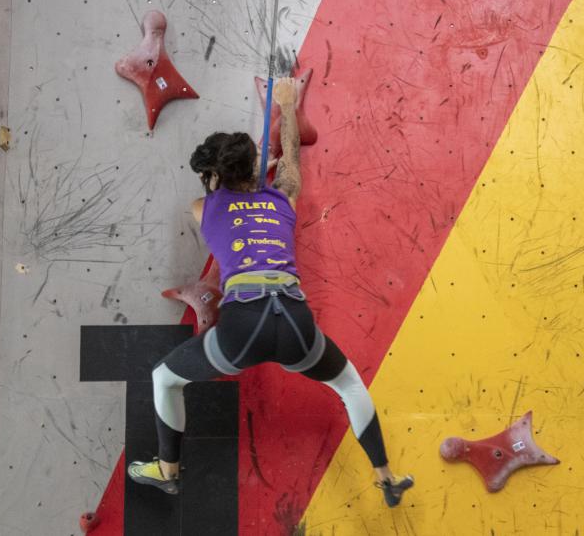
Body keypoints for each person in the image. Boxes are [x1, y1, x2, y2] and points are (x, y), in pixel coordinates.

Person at [126, 78, 414, 507]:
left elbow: (220, 193)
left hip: (243, 325)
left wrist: (234, 177)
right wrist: (287, 104)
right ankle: (386, 476)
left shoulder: (204, 207)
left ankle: (168, 472)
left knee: (165, 379)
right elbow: (292, 157)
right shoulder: (284, 197)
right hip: (294, 321)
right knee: (350, 386)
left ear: (214, 178)